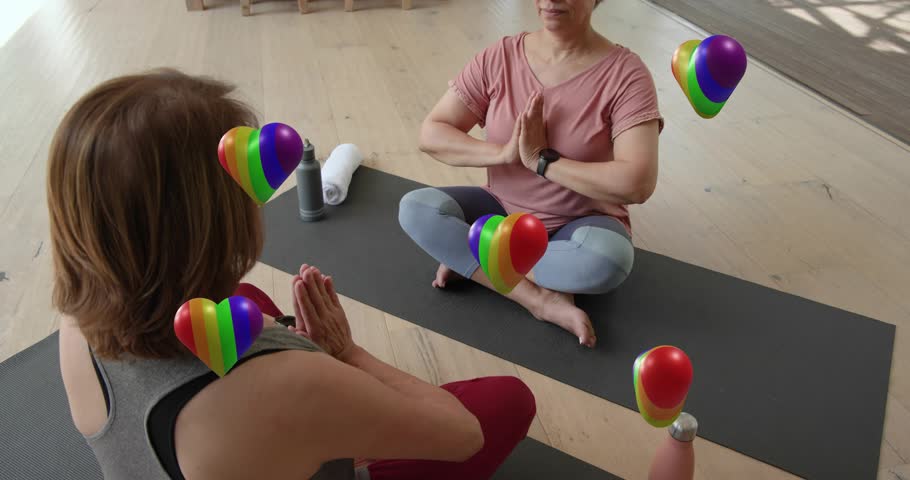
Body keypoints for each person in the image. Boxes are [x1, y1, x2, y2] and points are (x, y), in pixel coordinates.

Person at [51, 69, 536, 480]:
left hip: (185, 446)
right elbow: (462, 436)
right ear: (220, 221)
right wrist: (346, 354)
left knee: (247, 299)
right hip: (253, 413)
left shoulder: (75, 320)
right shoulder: (289, 384)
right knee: (506, 400)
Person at [399, 0, 663, 348]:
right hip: (501, 211)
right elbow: (432, 133)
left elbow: (637, 183)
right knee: (416, 209)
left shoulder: (627, 74)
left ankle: (481, 264)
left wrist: (543, 161)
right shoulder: (500, 57)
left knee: (608, 260)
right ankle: (536, 297)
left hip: (579, 225)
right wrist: (503, 153)